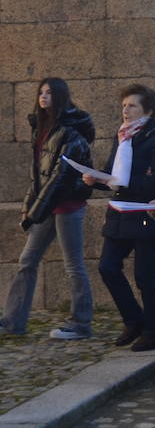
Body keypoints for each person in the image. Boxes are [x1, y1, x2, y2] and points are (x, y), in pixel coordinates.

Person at [3, 78, 95, 340]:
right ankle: (12, 321)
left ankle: (81, 323)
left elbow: (60, 176)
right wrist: (27, 208)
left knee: (73, 265)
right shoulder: (41, 127)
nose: (44, 97)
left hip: (66, 205)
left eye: (49, 93)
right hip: (45, 206)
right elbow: (37, 175)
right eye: (41, 92)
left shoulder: (71, 131)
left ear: (61, 96)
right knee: (27, 261)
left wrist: (34, 213)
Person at [85, 84, 155, 350]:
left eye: (132, 105)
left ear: (147, 109)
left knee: (144, 275)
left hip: (144, 214)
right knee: (108, 267)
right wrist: (95, 180)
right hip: (120, 214)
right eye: (124, 105)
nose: (125, 110)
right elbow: (114, 176)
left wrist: (121, 183)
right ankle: (134, 320)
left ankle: (154, 332)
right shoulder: (122, 136)